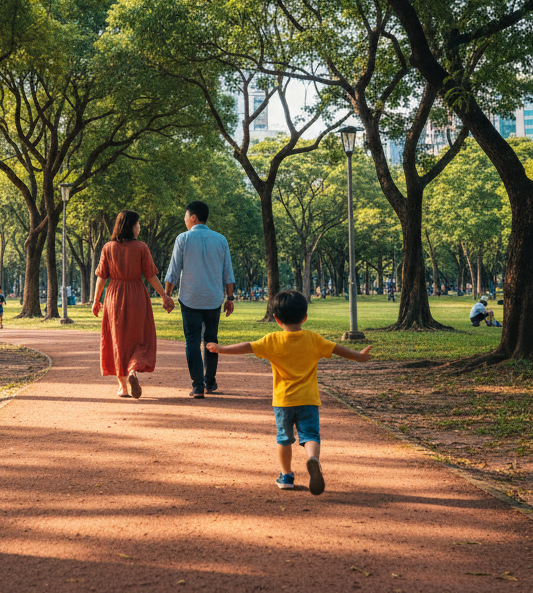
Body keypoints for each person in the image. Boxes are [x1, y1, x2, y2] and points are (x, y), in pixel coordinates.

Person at [205, 290, 371, 495]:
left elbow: (247, 347)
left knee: (284, 439)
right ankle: (312, 459)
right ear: (305, 317)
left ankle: (286, 475)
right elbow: (339, 349)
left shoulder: (272, 340)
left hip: (283, 401)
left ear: (276, 319)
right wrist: (359, 356)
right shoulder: (314, 339)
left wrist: (221, 349)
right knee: (310, 435)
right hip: (308, 400)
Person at [93, 210, 174, 399]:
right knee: (139, 336)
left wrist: (97, 300)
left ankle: (122, 387)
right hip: (137, 294)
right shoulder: (141, 247)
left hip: (114, 295)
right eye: (137, 224)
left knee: (117, 338)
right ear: (130, 226)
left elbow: (101, 277)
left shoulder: (108, 247)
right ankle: (133, 370)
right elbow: (151, 276)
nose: (139, 227)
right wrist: (164, 296)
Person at [163, 200, 236, 399]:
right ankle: (210, 382)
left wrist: (167, 295)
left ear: (193, 217)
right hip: (214, 299)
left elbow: (174, 270)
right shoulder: (221, 239)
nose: (185, 220)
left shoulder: (183, 239)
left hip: (190, 299)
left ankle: (198, 386)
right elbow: (227, 272)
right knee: (212, 339)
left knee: (192, 341)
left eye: (186, 216)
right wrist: (230, 298)